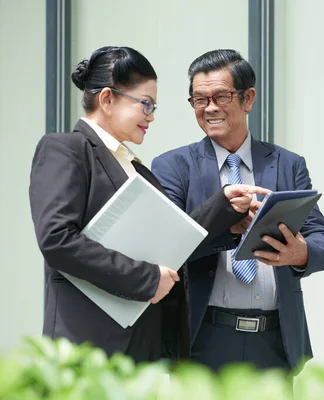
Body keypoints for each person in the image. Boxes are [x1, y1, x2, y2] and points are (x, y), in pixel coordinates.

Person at [29, 46, 268, 364]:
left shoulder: (136, 168)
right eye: (145, 104)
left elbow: (169, 242)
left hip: (142, 350)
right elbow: (57, 240)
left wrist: (224, 209)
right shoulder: (66, 149)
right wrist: (146, 279)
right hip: (90, 347)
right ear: (107, 99)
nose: (151, 116)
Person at [151, 49, 324, 372]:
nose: (209, 108)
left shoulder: (287, 164)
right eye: (199, 99)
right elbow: (167, 244)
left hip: (274, 343)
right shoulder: (173, 167)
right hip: (201, 339)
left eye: (221, 96)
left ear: (247, 98)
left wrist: (301, 253)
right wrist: (226, 222)